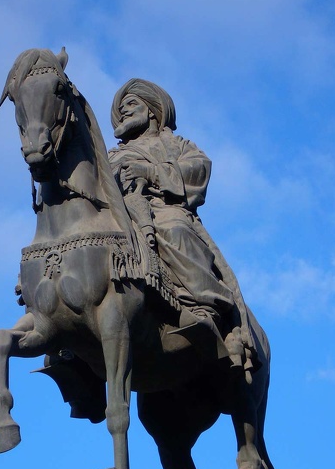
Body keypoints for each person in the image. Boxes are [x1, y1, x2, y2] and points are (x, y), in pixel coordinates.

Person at [108, 78, 256, 372]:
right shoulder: (111, 154)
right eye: (120, 109)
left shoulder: (177, 145)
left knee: (175, 230)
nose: (123, 112)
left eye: (131, 105)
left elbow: (199, 170)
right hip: (121, 214)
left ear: (152, 110)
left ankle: (204, 308)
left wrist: (149, 172)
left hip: (165, 209)